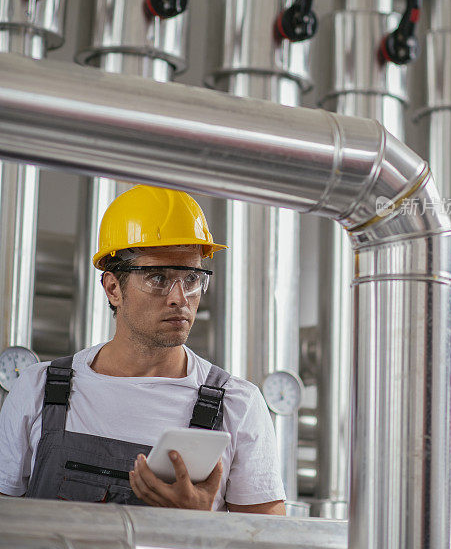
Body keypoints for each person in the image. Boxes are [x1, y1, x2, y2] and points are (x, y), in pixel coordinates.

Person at [0, 185, 286, 513]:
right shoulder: (38, 390)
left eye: (192, 278)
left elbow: (270, 547)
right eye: (158, 278)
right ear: (112, 288)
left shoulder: (238, 405)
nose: (180, 298)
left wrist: (202, 521)